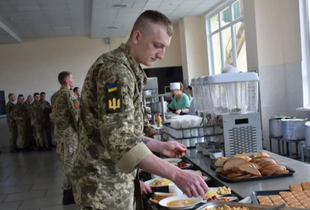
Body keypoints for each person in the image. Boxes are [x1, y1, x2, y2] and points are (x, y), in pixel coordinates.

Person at [71, 10, 208, 210]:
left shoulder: (129, 69)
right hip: (103, 185)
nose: (161, 55)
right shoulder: (115, 70)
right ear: (137, 36)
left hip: (115, 180)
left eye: (165, 48)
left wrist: (160, 147)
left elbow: (126, 133)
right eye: (157, 45)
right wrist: (177, 175)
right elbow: (121, 141)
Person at [51, 71, 80, 205]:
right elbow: (76, 116)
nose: (73, 80)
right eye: (72, 78)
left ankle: (70, 193)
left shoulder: (54, 96)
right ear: (67, 81)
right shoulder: (69, 94)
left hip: (60, 135)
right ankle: (69, 194)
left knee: (65, 162)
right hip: (70, 136)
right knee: (71, 164)